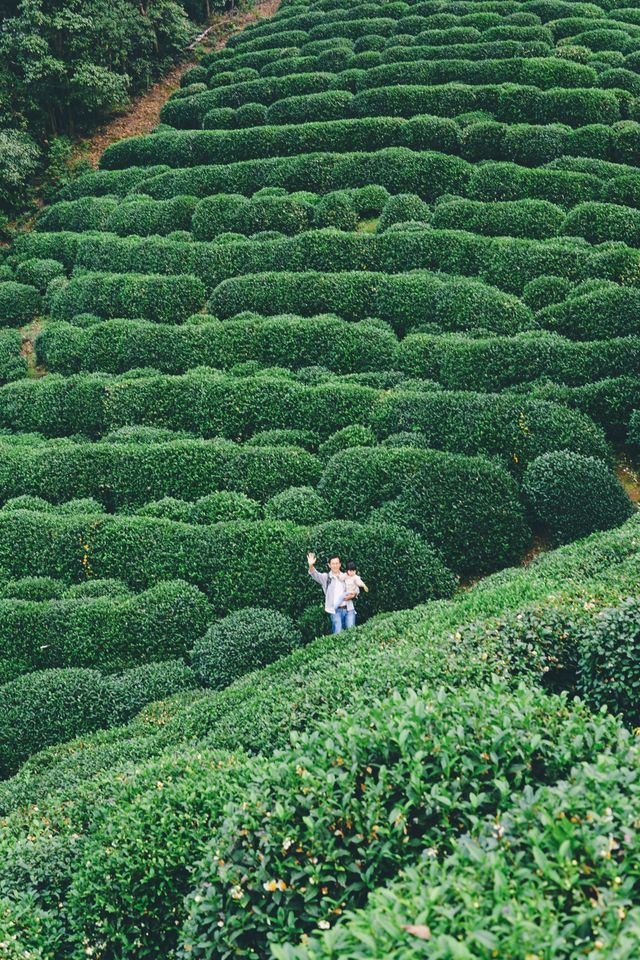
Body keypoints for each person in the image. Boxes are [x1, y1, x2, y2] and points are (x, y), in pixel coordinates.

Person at [306, 551, 357, 634]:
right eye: (333, 564)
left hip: (349, 609)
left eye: (337, 563)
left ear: (340, 564)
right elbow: (314, 574)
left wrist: (353, 595)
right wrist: (311, 565)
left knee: (352, 633)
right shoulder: (326, 578)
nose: (335, 565)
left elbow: (355, 589)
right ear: (329, 565)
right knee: (338, 634)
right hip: (335, 611)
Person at [342, 560, 368, 627]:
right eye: (350, 571)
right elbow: (340, 578)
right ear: (347, 571)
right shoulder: (345, 576)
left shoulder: (356, 577)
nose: (352, 572)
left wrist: (363, 585)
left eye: (353, 570)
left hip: (351, 592)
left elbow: (359, 582)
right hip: (345, 593)